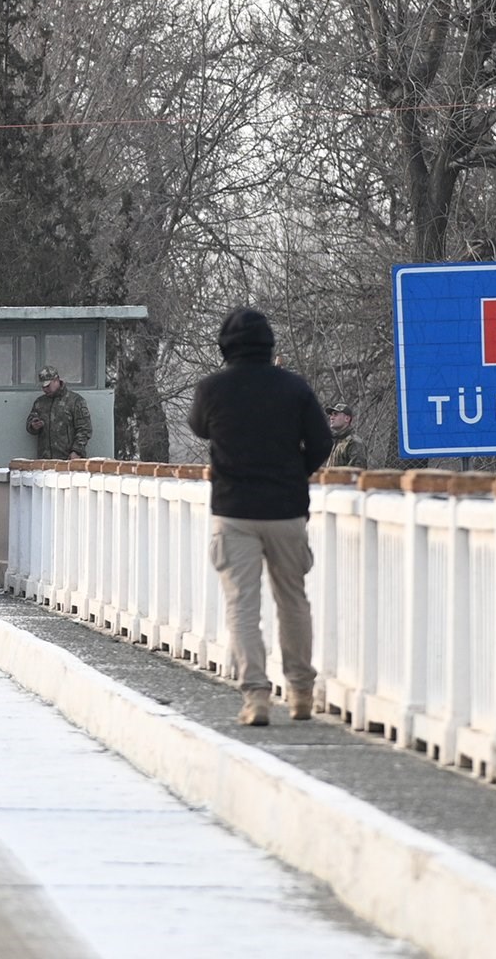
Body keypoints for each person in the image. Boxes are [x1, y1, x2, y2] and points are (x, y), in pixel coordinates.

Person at [186, 307, 332, 727]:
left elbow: (199, 428)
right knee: (293, 599)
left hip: (234, 512)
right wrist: (294, 475)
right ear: (270, 346)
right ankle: (302, 691)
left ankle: (256, 696)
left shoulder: (212, 389)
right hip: (286, 512)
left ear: (224, 347)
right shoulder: (294, 388)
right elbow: (321, 441)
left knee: (242, 604)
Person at [25, 365, 93, 460]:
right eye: (43, 387)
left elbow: (84, 429)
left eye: (48, 386)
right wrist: (34, 425)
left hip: (68, 459)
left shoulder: (75, 401)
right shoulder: (40, 402)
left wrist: (77, 451)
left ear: (56, 380)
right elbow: (31, 422)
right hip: (45, 461)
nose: (45, 389)